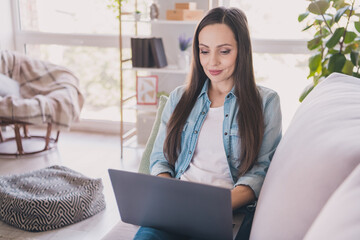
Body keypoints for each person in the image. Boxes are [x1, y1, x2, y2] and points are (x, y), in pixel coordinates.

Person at [134, 6, 282, 240]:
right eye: (204, 51)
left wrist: (213, 207)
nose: (212, 61)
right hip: (175, 209)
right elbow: (160, 159)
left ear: (241, 51)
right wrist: (170, 196)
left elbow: (260, 172)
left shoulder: (266, 102)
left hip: (226, 211)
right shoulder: (179, 98)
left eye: (224, 51)